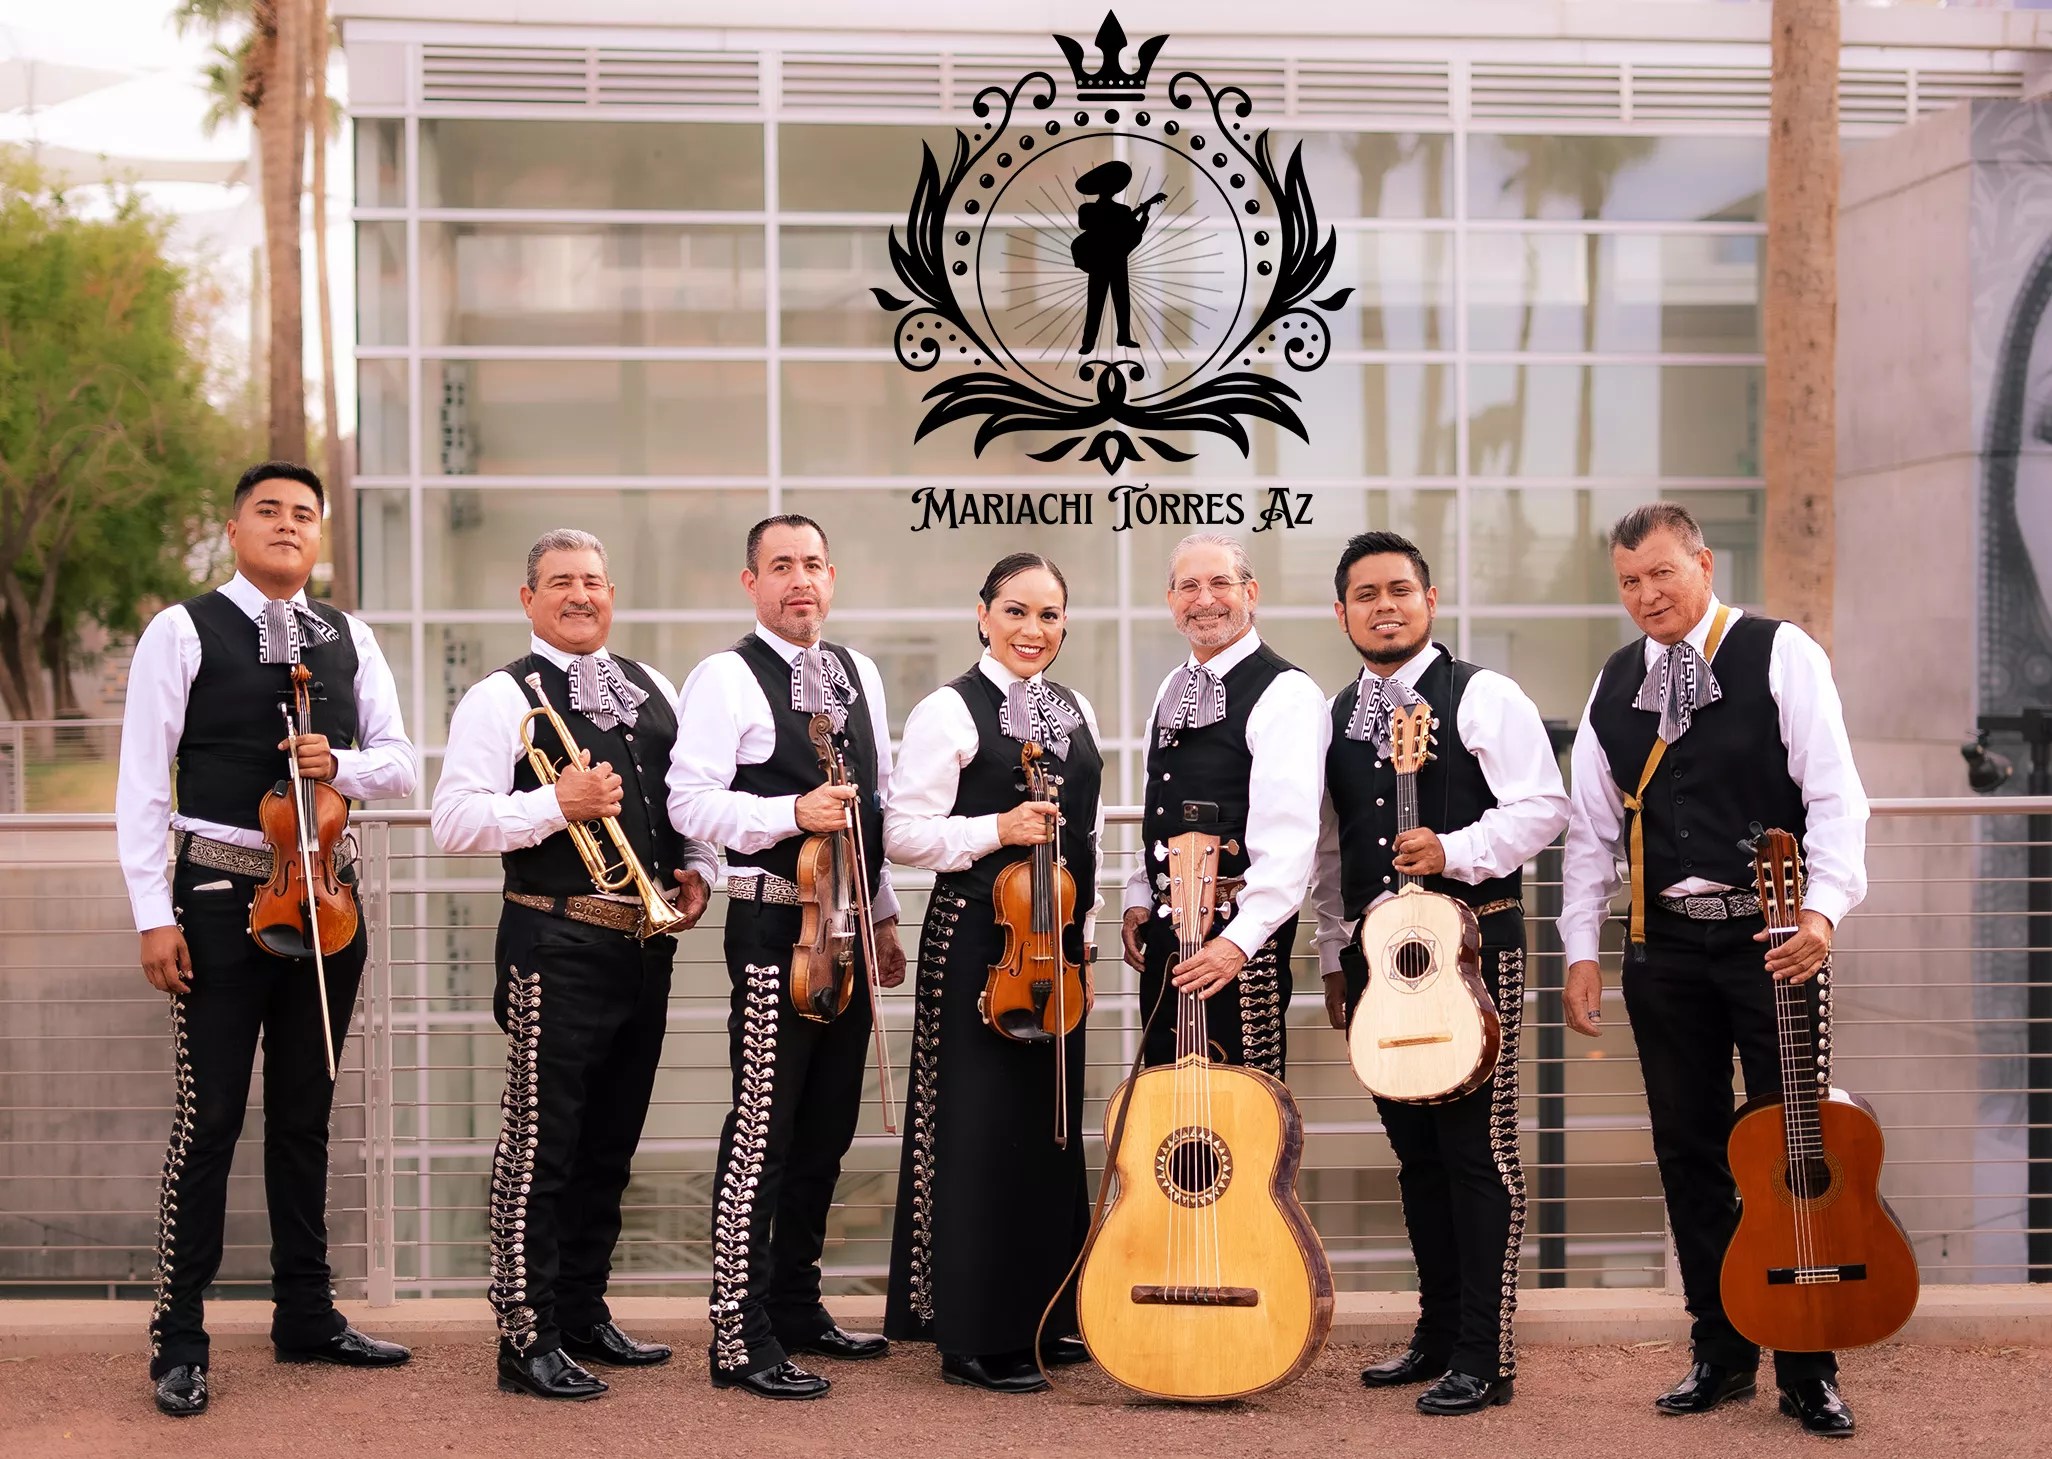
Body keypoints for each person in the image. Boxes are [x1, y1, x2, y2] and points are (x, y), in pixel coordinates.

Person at [1558, 503, 1869, 1438]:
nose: (1645, 595)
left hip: (1775, 942)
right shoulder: (1614, 685)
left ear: (1701, 561)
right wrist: (1580, 949)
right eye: (1627, 582)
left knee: (1791, 1146)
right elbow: (1588, 835)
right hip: (1662, 951)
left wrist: (1822, 911)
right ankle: (1722, 1349)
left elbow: (1835, 795)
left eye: (1660, 573)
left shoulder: (1782, 653)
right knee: (1688, 1152)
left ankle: (1808, 1364)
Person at [118, 462, 418, 1417]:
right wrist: (151, 912)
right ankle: (179, 1336)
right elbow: (141, 781)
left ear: (319, 534)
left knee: (304, 1118)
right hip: (213, 897)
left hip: (326, 903)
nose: (289, 526)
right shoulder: (182, 628)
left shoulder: (350, 634)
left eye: (304, 515)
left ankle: (307, 1312)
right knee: (207, 1122)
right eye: (270, 512)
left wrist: (348, 765)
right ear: (235, 526)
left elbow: (403, 767)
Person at [432, 528, 714, 1401]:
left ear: (612, 591)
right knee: (540, 1150)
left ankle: (584, 1310)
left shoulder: (654, 686)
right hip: (552, 940)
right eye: (560, 582)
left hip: (642, 941)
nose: (581, 595)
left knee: (608, 1146)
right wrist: (557, 802)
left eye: (593, 580)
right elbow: (454, 823)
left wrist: (699, 870)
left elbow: (681, 798)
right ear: (529, 600)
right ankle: (527, 1336)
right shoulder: (496, 697)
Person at [1309, 531, 1568, 1415]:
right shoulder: (1337, 715)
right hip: (1378, 961)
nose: (1385, 606)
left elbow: (1544, 806)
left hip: (1475, 947)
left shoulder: (1482, 694)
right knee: (1414, 1154)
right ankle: (1435, 1332)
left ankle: (1485, 1354)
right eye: (1366, 594)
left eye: (1400, 591)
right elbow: (1331, 848)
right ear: (1339, 611)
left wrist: (1454, 849)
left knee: (1476, 1153)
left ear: (1429, 599)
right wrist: (1333, 957)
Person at [670, 514, 908, 1400]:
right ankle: (737, 1332)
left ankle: (798, 1305)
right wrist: (785, 815)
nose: (798, 579)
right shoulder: (726, 675)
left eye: (811, 564)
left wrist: (882, 916)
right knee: (762, 1130)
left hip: (847, 929)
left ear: (832, 576)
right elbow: (689, 802)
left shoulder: (858, 672)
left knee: (825, 1133)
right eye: (780, 566)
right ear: (751, 582)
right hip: (774, 928)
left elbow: (869, 810)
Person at [881, 554, 1104, 1393]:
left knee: (1050, 1129)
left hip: (1059, 933)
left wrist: (1085, 914)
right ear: (982, 615)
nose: (1032, 629)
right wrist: (996, 828)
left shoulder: (1074, 707)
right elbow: (904, 832)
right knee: (978, 1132)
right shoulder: (950, 708)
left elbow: (1088, 825)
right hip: (981, 935)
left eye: (1049, 615)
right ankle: (974, 1331)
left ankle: (1048, 1313)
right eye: (1015, 611)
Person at [1120, 532, 1325, 1077]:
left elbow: (1290, 841)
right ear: (1170, 601)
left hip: (1239, 947)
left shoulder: (1287, 692)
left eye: (1220, 583)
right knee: (1165, 1107)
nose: (1204, 598)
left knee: (1241, 1115)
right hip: (1169, 936)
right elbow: (1157, 799)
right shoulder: (1172, 684)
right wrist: (1139, 895)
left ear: (1251, 593)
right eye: (1188, 586)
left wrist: (1237, 944)